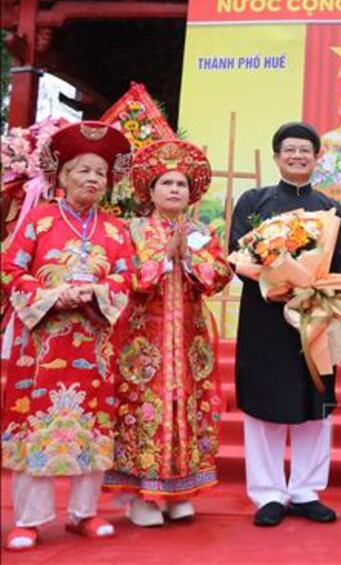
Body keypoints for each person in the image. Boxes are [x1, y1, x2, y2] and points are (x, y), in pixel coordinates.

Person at [2, 121, 134, 551]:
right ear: (62, 175)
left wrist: (94, 292)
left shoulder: (115, 229)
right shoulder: (37, 221)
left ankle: (84, 512)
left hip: (93, 343)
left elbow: (125, 277)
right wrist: (53, 296)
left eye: (100, 172)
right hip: (41, 345)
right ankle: (30, 519)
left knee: (92, 424)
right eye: (83, 170)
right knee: (36, 424)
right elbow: (10, 269)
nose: (93, 179)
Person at [103, 139, 233, 526]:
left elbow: (220, 274)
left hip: (190, 340)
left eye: (181, 184)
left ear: (191, 193)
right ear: (151, 190)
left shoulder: (201, 232)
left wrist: (189, 258)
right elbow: (126, 275)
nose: (175, 190)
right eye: (167, 183)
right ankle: (139, 497)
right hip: (142, 339)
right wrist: (163, 258)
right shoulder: (133, 230)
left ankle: (180, 491)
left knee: (187, 407)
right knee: (141, 408)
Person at [229, 122, 341, 527]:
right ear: (277, 156)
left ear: (318, 158)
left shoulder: (331, 210)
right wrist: (274, 285)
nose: (298, 156)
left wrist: (314, 287)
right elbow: (236, 253)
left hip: (314, 315)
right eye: (290, 150)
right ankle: (267, 493)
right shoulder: (254, 201)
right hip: (265, 318)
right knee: (263, 404)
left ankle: (305, 490)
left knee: (315, 402)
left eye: (305, 151)